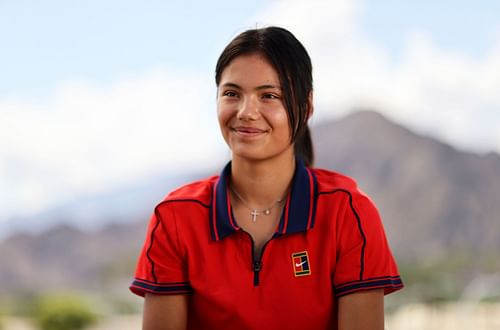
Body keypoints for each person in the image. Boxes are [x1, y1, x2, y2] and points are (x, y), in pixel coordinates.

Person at [130, 26, 403, 330]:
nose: (247, 112)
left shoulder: (349, 213)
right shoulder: (175, 217)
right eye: (232, 93)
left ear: (306, 106)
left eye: (269, 95)